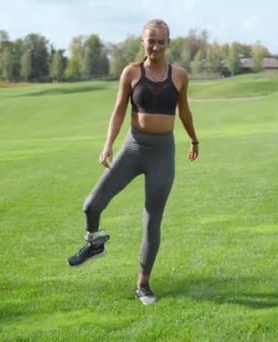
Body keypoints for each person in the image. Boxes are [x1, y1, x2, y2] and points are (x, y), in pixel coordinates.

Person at [67, 18, 199, 305]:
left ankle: (143, 284)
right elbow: (117, 111)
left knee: (152, 221)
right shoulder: (130, 73)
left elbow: (185, 112)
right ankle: (94, 243)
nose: (155, 46)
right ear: (143, 42)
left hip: (162, 154)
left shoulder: (179, 76)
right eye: (151, 40)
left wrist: (194, 139)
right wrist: (107, 146)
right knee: (92, 204)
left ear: (168, 43)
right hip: (133, 148)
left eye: (161, 41)